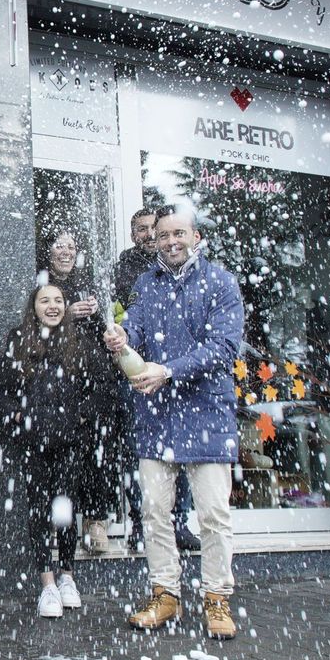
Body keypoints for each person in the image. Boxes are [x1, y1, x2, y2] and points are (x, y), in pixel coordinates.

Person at [105, 206, 244, 641]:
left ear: (195, 236)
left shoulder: (221, 282)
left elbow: (223, 348)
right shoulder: (147, 283)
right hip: (157, 415)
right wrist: (122, 340)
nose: (170, 242)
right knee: (154, 512)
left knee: (214, 516)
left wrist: (168, 370)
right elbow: (139, 337)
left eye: (178, 234)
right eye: (163, 236)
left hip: (206, 413)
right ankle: (165, 593)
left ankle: (217, 598)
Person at [0, 283, 111, 618]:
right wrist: (17, 414)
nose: (53, 306)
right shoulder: (19, 342)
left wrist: (83, 417)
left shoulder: (81, 343)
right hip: (33, 442)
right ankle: (47, 583)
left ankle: (68, 576)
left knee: (66, 508)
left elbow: (99, 388)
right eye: (45, 300)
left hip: (71, 441)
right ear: (34, 307)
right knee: (40, 509)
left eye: (59, 300)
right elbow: (0, 391)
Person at [112, 207, 199, 552]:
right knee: (142, 454)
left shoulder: (186, 270)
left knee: (182, 452)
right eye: (142, 230)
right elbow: (128, 319)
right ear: (134, 235)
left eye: (155, 229)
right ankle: (140, 524)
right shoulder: (129, 271)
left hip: (176, 373)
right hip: (140, 374)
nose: (150, 235)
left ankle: (179, 521)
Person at [37, 229, 115, 552]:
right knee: (61, 457)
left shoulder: (87, 285)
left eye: (71, 246)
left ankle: (95, 521)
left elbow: (103, 333)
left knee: (97, 454)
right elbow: (34, 326)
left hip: (92, 382)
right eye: (60, 246)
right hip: (58, 381)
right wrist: (66, 314)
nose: (66, 252)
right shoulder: (40, 284)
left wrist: (96, 316)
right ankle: (58, 523)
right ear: (49, 251)